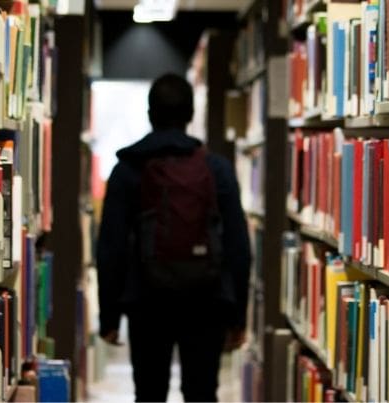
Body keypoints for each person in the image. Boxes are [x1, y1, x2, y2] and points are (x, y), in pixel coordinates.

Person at [96, 73, 252, 402]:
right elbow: (239, 245)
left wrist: (109, 316)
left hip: (147, 301)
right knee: (201, 393)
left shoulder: (127, 169)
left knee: (150, 393)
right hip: (206, 301)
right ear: (191, 114)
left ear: (150, 114)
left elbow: (111, 247)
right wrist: (237, 316)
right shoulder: (216, 169)